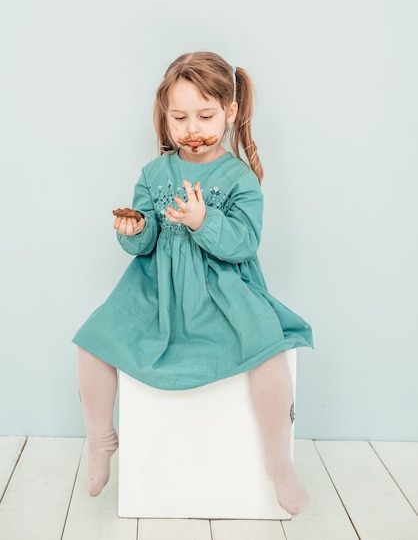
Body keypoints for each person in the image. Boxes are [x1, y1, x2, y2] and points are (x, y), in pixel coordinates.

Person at [73, 51, 313, 515]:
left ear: (230, 112)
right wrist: (135, 230)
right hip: (156, 287)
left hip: (223, 288)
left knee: (269, 351)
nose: (191, 128)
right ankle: (100, 437)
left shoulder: (239, 177)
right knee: (91, 340)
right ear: (165, 117)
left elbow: (244, 242)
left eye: (204, 115)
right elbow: (144, 241)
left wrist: (204, 220)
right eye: (179, 117)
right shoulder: (154, 173)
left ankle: (279, 462)